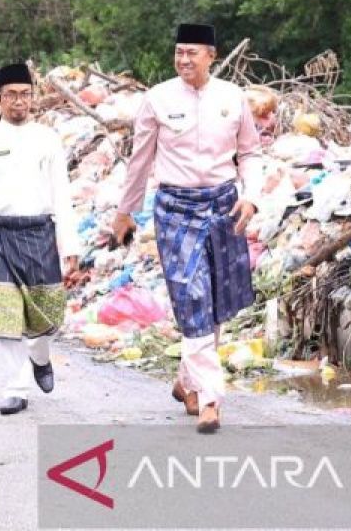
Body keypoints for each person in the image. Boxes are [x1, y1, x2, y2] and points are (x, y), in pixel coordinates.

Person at [112, 23, 260, 434]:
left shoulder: (233, 98)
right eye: (178, 52)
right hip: (176, 209)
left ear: (211, 55)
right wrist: (126, 212)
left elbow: (250, 153)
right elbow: (139, 162)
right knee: (192, 296)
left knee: (215, 301)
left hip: (224, 205)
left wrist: (252, 196)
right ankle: (211, 398)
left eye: (192, 52)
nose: (183, 60)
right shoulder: (157, 99)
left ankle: (186, 380)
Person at [0, 63, 82, 416]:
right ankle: (16, 387)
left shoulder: (47, 139)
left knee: (47, 314)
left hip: (39, 233)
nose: (18, 102)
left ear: (33, 97)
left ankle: (39, 356)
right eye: (11, 95)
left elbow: (62, 195)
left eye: (25, 94)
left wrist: (70, 245)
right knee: (4, 314)